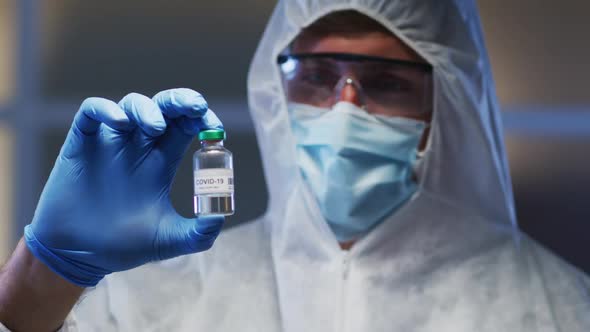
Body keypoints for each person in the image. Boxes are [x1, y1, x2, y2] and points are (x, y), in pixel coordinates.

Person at [1, 1, 589, 331]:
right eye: (316, 77)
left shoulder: (556, 310)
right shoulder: (157, 302)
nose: (345, 108)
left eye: (384, 82)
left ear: (447, 105)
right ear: (273, 93)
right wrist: (40, 276)